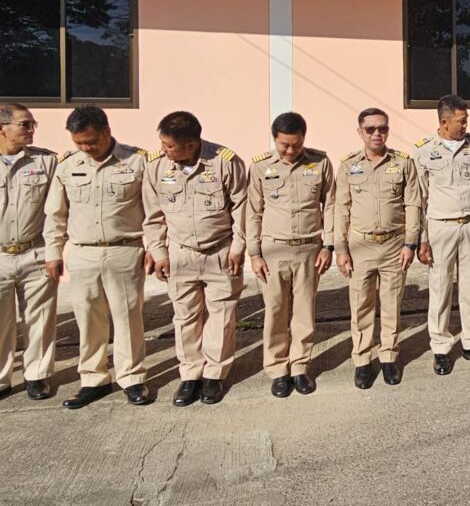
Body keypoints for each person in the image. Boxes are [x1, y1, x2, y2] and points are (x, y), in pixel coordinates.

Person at [43, 106, 151, 408]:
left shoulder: (137, 161)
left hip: (124, 250)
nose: (86, 148)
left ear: (106, 131)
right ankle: (94, 379)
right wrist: (53, 252)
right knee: (88, 318)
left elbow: (153, 210)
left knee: (128, 317)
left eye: (90, 141)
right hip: (83, 253)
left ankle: (131, 378)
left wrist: (155, 247)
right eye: (79, 143)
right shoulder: (68, 165)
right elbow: (56, 214)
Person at [142, 111, 247, 406]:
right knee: (185, 316)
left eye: (169, 146)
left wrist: (238, 247)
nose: (164, 150)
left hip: (220, 252)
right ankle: (190, 374)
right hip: (180, 254)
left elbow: (242, 207)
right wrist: (159, 252)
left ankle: (214, 374)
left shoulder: (225, 162)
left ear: (190, 145)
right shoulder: (156, 167)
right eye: (162, 144)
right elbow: (153, 215)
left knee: (221, 315)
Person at [247, 112, 335, 398]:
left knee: (304, 311)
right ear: (274, 139)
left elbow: (330, 205)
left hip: (309, 248)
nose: (289, 150)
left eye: (296, 144)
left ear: (304, 139)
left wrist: (328, 246)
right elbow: (253, 212)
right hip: (273, 250)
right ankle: (277, 369)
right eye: (284, 145)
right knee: (275, 311)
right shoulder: (260, 166)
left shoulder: (320, 162)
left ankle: (299, 366)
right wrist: (254, 254)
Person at [335, 108, 421, 389]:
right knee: (361, 305)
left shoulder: (403, 163)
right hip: (360, 246)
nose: (377, 134)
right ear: (360, 132)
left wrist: (410, 243)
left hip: (394, 245)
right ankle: (362, 360)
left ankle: (388, 356)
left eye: (382, 128)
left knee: (392, 304)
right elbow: (341, 209)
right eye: (370, 129)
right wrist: (340, 249)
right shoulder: (348, 165)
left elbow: (413, 204)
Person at [413, 95, 470, 375]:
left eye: (466, 120)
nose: (465, 125)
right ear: (444, 122)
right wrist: (422, 238)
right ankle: (441, 348)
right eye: (461, 121)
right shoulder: (424, 151)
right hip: (440, 227)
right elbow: (419, 199)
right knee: (440, 289)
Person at [0, 104, 57, 401]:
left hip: (34, 251)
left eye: (32, 124)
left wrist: (54, 250)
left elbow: (57, 210)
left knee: (40, 318)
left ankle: (37, 375)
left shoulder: (46, 162)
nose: (32, 129)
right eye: (25, 124)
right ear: (2, 128)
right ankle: (2, 378)